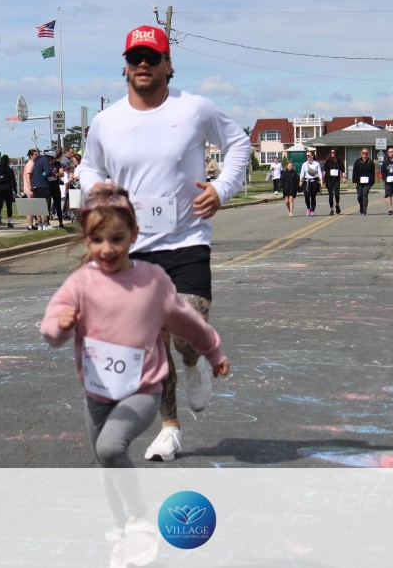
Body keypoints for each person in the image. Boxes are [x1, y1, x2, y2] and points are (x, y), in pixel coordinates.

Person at [78, 24, 249, 462]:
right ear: (125, 67)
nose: (143, 65)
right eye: (134, 58)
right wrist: (96, 190)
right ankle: (170, 428)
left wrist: (221, 189)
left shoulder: (194, 109)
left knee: (185, 331)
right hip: (133, 249)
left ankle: (193, 361)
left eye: (152, 58)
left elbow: (238, 143)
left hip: (186, 238)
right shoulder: (107, 121)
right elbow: (88, 167)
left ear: (168, 65)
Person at [40, 186, 228, 564]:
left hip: (142, 388)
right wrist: (61, 325)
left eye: (117, 239)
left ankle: (140, 520)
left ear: (134, 236)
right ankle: (122, 529)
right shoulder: (81, 282)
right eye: (97, 240)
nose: (107, 249)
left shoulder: (151, 281)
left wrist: (213, 351)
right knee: (106, 462)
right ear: (86, 239)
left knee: (111, 448)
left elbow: (186, 321)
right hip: (97, 392)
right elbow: (51, 331)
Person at [31, 149, 56, 230]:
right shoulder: (45, 160)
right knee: (45, 204)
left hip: (35, 185)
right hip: (43, 185)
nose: (51, 161)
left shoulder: (38, 160)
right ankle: (45, 224)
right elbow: (47, 172)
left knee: (38, 205)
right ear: (50, 157)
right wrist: (52, 173)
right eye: (52, 159)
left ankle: (40, 224)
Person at [0, 154, 17, 228]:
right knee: (9, 206)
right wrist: (15, 190)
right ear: (7, 161)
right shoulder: (9, 170)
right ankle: (9, 222)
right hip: (7, 189)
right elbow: (13, 181)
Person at [351, 148, 376, 216]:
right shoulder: (357, 161)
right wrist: (354, 181)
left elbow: (373, 173)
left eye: (366, 153)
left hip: (368, 182)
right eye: (363, 153)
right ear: (361, 153)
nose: (365, 154)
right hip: (359, 182)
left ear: (368, 154)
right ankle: (361, 206)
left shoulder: (370, 162)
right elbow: (354, 172)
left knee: (365, 194)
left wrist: (372, 181)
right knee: (359, 196)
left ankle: (364, 210)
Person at [299, 150, 322, 216]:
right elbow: (302, 173)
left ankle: (312, 210)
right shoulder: (304, 164)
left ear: (312, 156)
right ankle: (308, 208)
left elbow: (319, 173)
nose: (307, 157)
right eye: (306, 155)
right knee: (306, 196)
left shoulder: (316, 164)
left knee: (313, 197)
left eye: (308, 155)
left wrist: (321, 181)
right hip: (307, 181)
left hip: (314, 181)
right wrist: (300, 180)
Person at [322, 149, 345, 215]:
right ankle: (331, 209)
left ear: (336, 153)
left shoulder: (339, 160)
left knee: (337, 194)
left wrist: (343, 177)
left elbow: (343, 170)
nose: (332, 153)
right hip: (329, 180)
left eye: (333, 152)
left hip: (336, 180)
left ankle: (337, 204)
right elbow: (324, 170)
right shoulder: (328, 161)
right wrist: (323, 179)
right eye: (331, 152)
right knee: (331, 195)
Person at [21, 149, 39, 230]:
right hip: (29, 188)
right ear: (31, 156)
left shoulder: (33, 164)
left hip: (30, 187)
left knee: (32, 208)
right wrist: (30, 188)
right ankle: (29, 225)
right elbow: (28, 177)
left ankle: (31, 225)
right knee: (30, 208)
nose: (37, 156)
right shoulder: (30, 165)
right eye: (35, 155)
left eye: (37, 154)